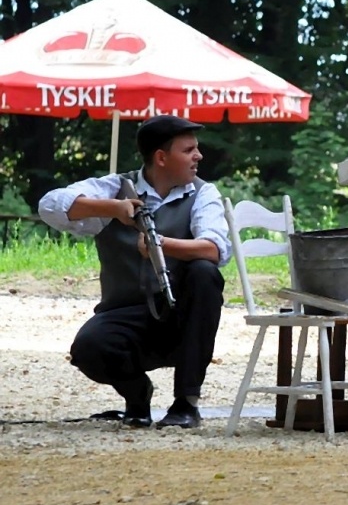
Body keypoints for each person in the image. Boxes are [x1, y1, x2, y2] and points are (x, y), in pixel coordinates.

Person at [38, 115, 230, 428]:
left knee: (204, 274)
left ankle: (186, 404)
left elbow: (216, 249)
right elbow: (49, 205)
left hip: (181, 317)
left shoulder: (203, 193)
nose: (199, 156)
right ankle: (137, 395)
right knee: (88, 348)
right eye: (189, 150)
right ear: (161, 157)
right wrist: (112, 208)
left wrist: (161, 244)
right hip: (126, 314)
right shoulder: (115, 187)